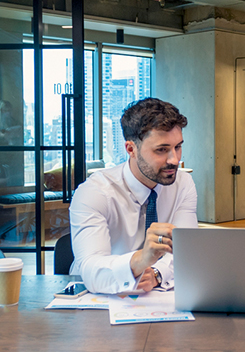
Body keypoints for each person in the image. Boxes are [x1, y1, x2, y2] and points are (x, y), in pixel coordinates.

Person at [69, 98, 198, 294]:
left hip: (156, 294)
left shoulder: (183, 185)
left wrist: (156, 273)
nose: (175, 160)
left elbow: (187, 252)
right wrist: (139, 261)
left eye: (177, 147)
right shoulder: (95, 192)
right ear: (131, 149)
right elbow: (90, 268)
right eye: (162, 150)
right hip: (97, 297)